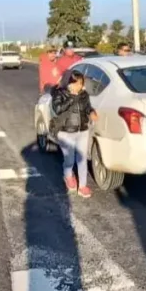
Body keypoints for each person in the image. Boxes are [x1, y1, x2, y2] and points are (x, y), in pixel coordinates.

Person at [50, 70, 98, 198]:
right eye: (76, 83)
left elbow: (87, 107)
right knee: (69, 159)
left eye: (81, 83)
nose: (79, 86)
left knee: (82, 159)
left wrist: (92, 112)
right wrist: (72, 97)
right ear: (69, 83)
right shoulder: (60, 93)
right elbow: (58, 109)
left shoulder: (84, 95)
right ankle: (68, 176)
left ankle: (82, 186)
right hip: (66, 133)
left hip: (83, 130)